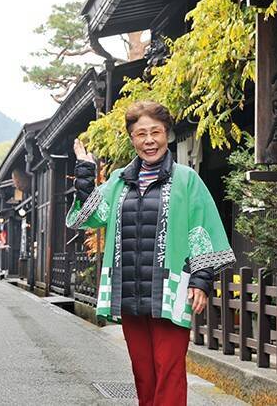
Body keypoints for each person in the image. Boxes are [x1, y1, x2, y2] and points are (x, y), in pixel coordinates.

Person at [66, 101, 236, 406]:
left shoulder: (186, 180)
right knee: (143, 373)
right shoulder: (119, 181)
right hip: (129, 290)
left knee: (169, 370)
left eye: (155, 132)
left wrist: (201, 280)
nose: (149, 140)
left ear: (167, 135)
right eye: (140, 133)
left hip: (169, 290)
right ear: (132, 139)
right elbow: (87, 217)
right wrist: (85, 174)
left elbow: (201, 230)